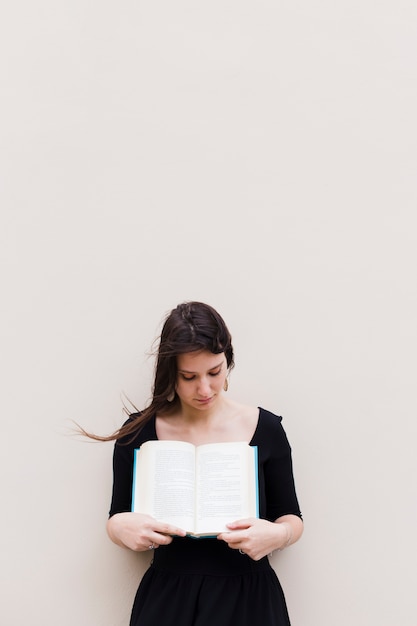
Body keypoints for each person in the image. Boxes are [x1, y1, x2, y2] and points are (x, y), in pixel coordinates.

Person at [103, 301, 303, 625]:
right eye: (188, 377)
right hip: (169, 598)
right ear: (171, 373)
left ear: (228, 362)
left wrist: (278, 536)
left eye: (214, 372)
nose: (204, 389)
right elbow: (117, 516)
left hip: (248, 598)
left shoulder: (265, 428)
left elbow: (291, 517)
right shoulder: (139, 432)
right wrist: (119, 529)